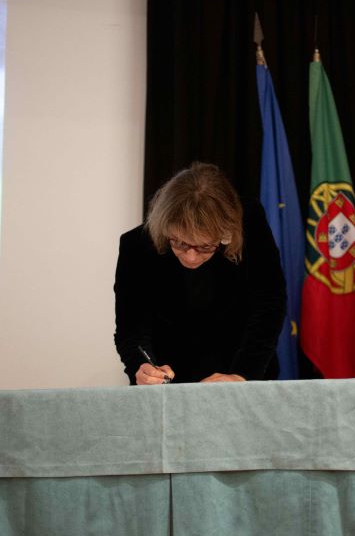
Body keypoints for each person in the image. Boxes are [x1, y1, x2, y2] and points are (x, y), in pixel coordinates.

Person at [114, 162, 286, 385]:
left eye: (205, 247)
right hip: (172, 383)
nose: (191, 257)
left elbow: (269, 305)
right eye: (180, 243)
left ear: (226, 235)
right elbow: (131, 330)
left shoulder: (248, 223)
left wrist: (242, 374)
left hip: (244, 372)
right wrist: (141, 367)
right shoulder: (136, 246)